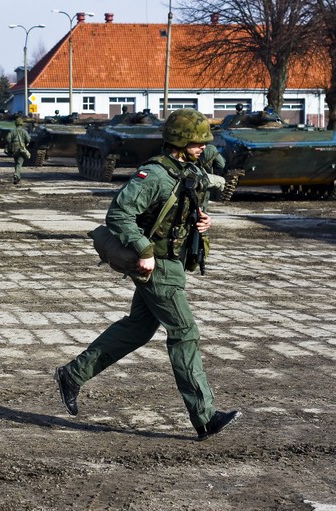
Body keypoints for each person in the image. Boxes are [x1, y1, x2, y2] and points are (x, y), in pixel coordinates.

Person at [53, 108, 240, 441]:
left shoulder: (187, 169)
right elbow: (119, 214)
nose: (203, 147)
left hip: (173, 264)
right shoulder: (153, 175)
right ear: (180, 142)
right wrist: (144, 250)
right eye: (197, 142)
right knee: (185, 333)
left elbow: (186, 205)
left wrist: (202, 221)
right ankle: (205, 417)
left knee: (138, 328)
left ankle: (72, 375)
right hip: (158, 266)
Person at [5, 117, 30, 184]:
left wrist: (11, 143)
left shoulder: (12, 131)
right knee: (19, 163)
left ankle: (18, 177)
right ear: (22, 124)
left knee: (16, 162)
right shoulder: (24, 131)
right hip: (21, 148)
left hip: (14, 149)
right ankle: (16, 175)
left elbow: (8, 139)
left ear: (15, 124)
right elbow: (28, 139)